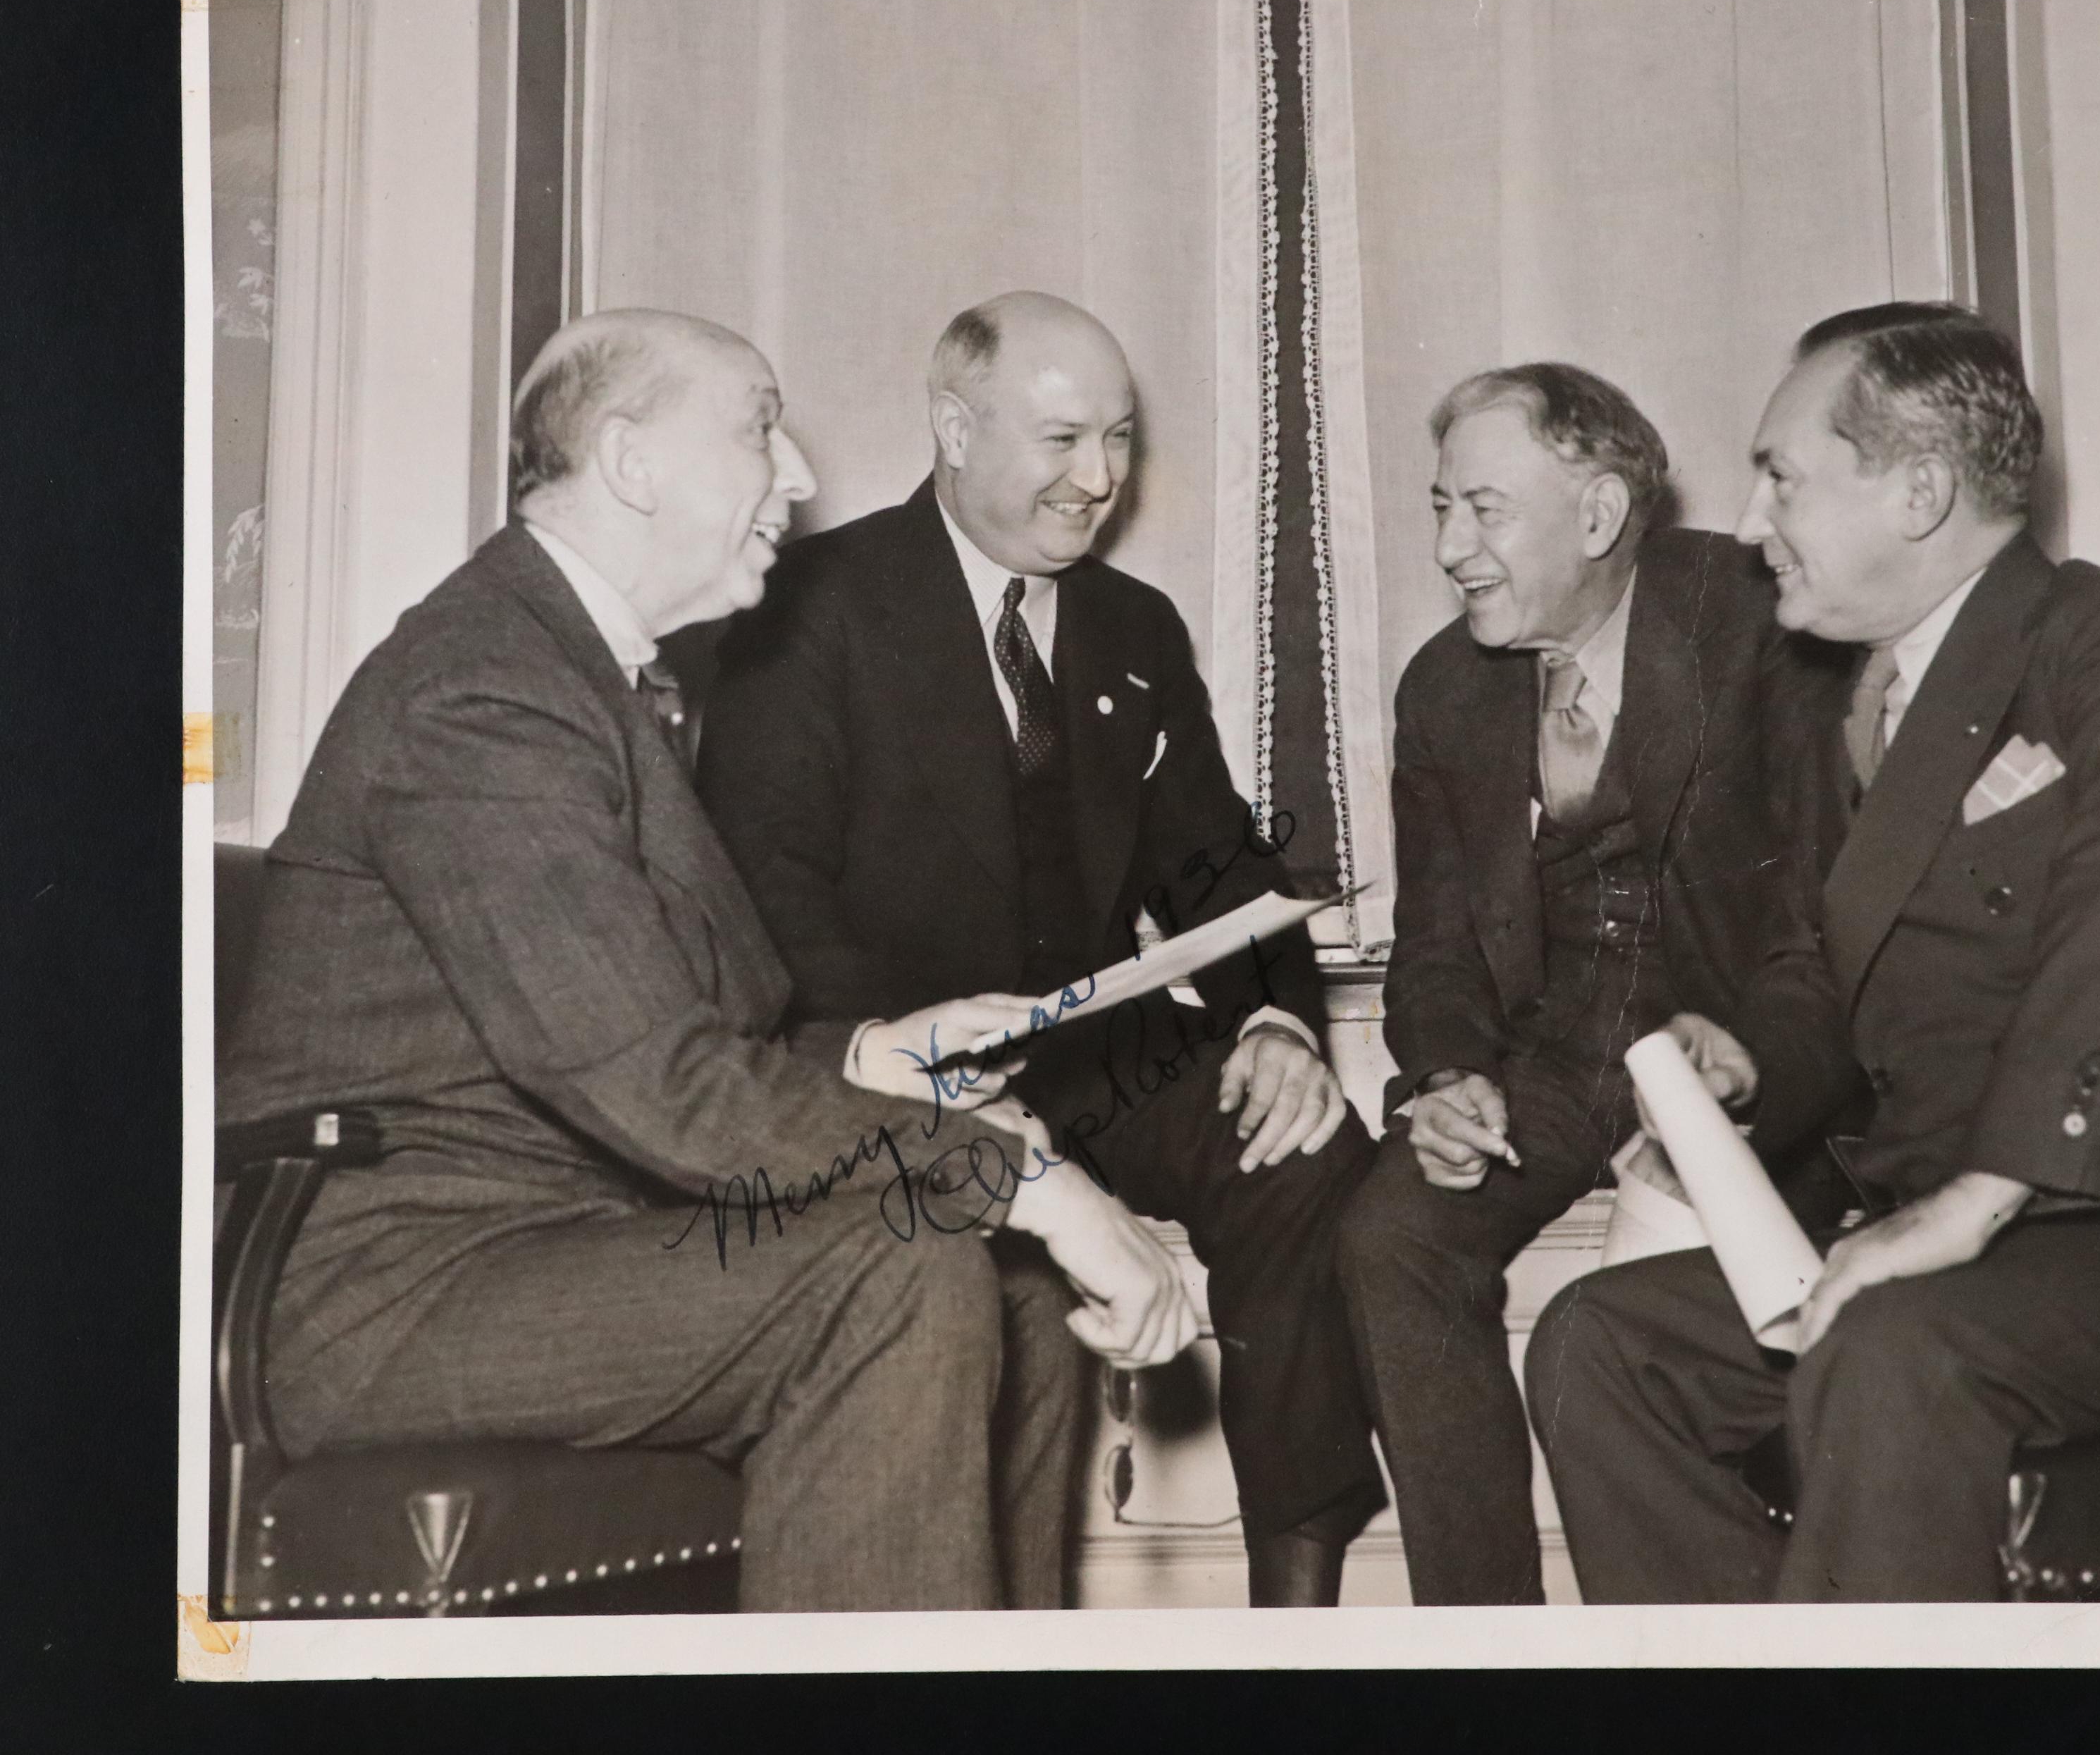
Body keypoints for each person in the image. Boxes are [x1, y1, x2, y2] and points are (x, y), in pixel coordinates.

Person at [218, 308, 1195, 1614]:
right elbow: (658, 1083)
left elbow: (654, 1033)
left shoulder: (594, 681)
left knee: (1007, 1290)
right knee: (899, 1275)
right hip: (397, 1280)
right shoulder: (484, 689)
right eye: (759, 430)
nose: (796, 473)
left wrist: (863, 1056)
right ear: (631, 462)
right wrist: (1032, 1177)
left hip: (560, 1235)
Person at [1524, 301, 2100, 1603]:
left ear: (1920, 491)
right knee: (1597, 1342)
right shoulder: (1854, 710)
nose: (1748, 523)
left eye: (1781, 475)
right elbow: (1831, 985)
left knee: (1895, 1346)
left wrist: (1972, 1199)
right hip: (1955, 1247)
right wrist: (1744, 1067)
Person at [696, 291, 1385, 1605]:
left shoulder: (1133, 624)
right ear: (953, 429)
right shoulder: (809, 612)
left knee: (1308, 1152)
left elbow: (1216, 864)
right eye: (1064, 438)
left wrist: (1276, 1023)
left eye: (1119, 439)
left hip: (1096, 1059)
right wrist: (939, 1088)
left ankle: (1296, 1623)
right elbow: (771, 900)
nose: (1101, 480)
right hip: (901, 1075)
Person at [1333, 363, 1820, 1604]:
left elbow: (1831, 902)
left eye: (1483, 510)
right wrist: (1444, 1078)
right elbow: (1437, 939)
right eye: (1443, 507)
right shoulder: (1446, 687)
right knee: (1391, 1236)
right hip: (1553, 1052)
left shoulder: (1757, 619)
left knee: (1670, 1315)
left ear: (1600, 516)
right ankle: (1484, 1637)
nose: (1450, 547)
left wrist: (1752, 1058)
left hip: (1736, 1037)